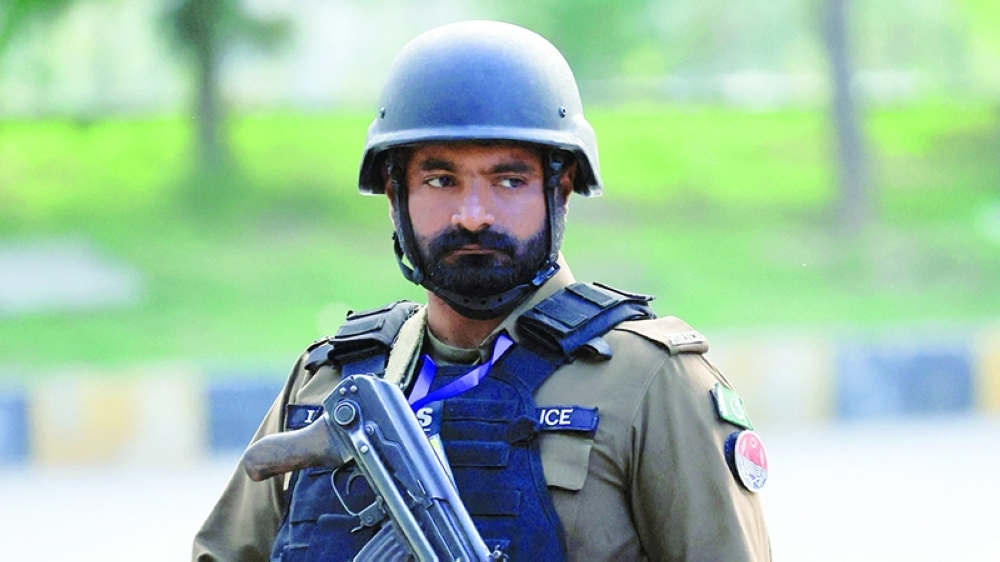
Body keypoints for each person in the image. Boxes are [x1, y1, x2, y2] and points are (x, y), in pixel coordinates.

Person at [193, 20, 771, 562]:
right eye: (440, 180)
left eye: (508, 180)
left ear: (560, 190)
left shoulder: (650, 383)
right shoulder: (329, 379)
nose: (473, 214)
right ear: (395, 197)